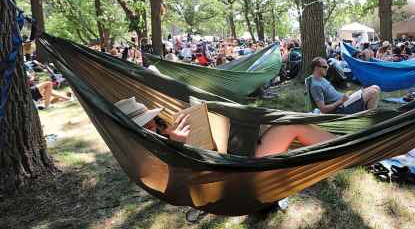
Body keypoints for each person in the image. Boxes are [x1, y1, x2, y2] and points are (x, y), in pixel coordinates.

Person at [115, 97, 336, 158]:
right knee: (293, 126)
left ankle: (342, 142)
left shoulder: (160, 132)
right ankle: (343, 146)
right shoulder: (153, 151)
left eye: (150, 119)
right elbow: (192, 175)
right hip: (238, 164)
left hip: (237, 146)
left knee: (282, 121)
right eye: (146, 122)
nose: (152, 123)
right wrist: (181, 146)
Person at [309, 57, 380, 114]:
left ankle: (368, 113)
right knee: (374, 92)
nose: (327, 68)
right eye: (325, 67)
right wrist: (341, 101)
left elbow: (333, 95)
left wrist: (346, 95)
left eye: (327, 66)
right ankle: (369, 118)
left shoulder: (322, 79)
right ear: (316, 68)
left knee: (376, 87)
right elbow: (323, 110)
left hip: (345, 101)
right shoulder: (316, 86)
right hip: (341, 108)